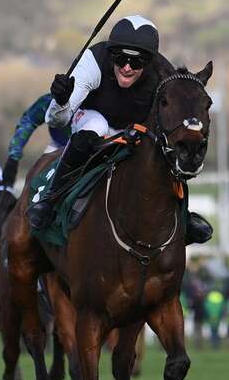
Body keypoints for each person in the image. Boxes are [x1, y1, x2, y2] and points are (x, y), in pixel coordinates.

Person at [26, 15, 212, 245]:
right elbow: (56, 120)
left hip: (136, 125)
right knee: (97, 126)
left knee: (167, 143)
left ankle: (184, 217)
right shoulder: (93, 61)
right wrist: (61, 101)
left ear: (150, 61)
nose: (126, 67)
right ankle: (50, 200)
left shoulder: (164, 73)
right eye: (120, 58)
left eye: (136, 63)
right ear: (111, 53)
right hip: (91, 117)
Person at [1, 93, 71, 188]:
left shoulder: (93, 98)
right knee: (36, 180)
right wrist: (13, 158)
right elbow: (28, 121)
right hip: (58, 146)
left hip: (89, 147)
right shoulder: (49, 101)